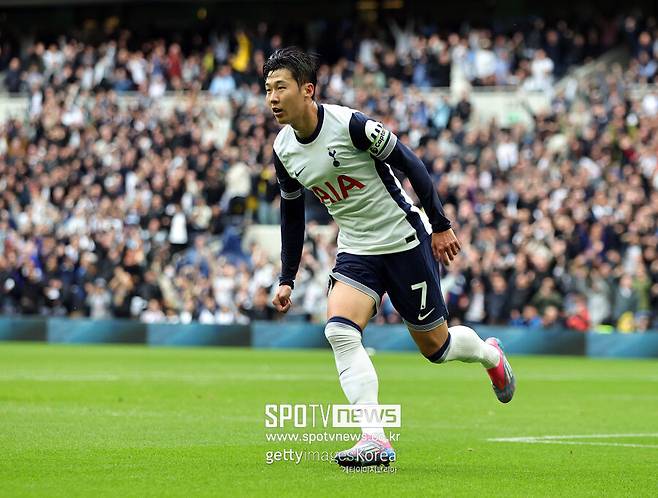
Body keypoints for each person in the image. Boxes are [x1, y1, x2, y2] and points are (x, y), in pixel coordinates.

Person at [265, 47, 515, 468]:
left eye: (280, 88)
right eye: (267, 89)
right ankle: (374, 439)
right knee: (340, 332)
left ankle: (491, 355)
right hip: (357, 248)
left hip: (404, 239)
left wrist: (440, 224)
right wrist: (287, 275)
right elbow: (292, 214)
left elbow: (411, 164)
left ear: (308, 90)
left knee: (437, 348)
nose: (271, 98)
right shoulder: (283, 150)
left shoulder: (352, 126)